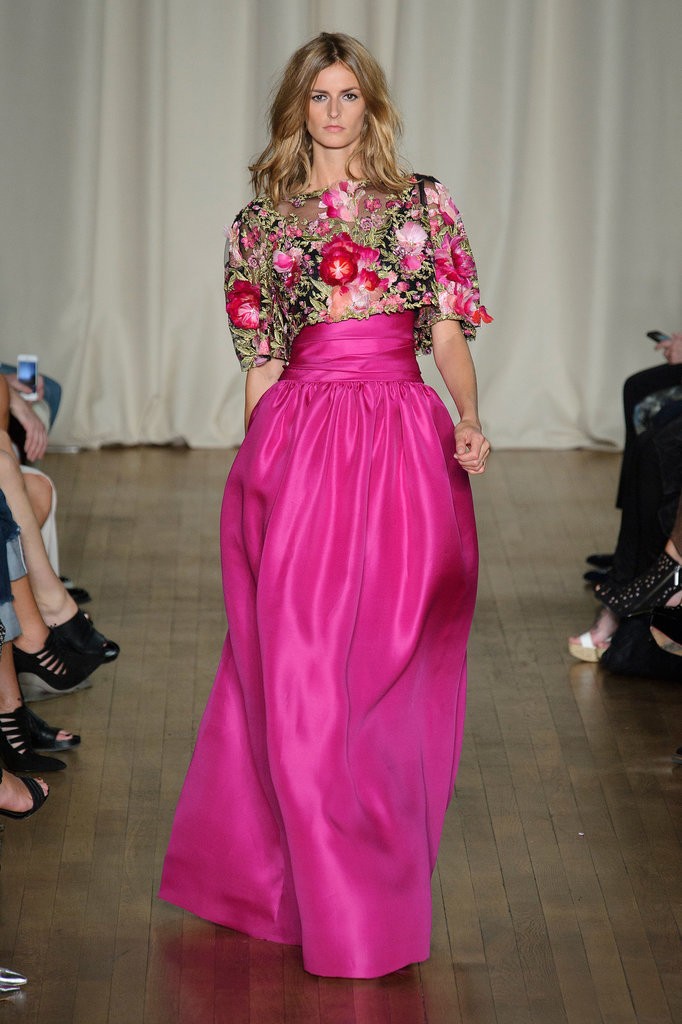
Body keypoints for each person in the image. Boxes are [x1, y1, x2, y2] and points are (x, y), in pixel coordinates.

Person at [160, 32, 491, 979]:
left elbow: (445, 329)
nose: (334, 111)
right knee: (296, 674)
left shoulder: (423, 205)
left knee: (388, 665)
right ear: (297, 108)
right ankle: (325, 898)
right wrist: (255, 468)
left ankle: (372, 879)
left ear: (370, 104)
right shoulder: (260, 223)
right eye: (319, 96)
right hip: (300, 444)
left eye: (349, 95)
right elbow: (262, 359)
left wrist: (471, 417)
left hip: (403, 444)